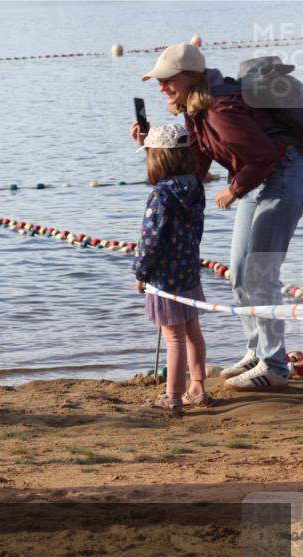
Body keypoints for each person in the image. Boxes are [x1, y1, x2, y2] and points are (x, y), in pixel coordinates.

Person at [133, 43, 303, 391]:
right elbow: (193, 169)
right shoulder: (195, 111)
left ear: (190, 76)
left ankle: (274, 365)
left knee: (260, 271)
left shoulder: (219, 109)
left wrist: (233, 190)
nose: (161, 87)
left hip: (285, 176)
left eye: (167, 79)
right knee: (240, 275)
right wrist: (148, 147)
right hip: (258, 180)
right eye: (159, 81)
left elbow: (263, 156)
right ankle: (256, 351)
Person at [132, 124, 209, 415]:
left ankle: (173, 395)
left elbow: (151, 240)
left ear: (158, 159)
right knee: (192, 331)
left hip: (165, 276)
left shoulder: (160, 195)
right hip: (189, 268)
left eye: (150, 155)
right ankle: (198, 387)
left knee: (173, 337)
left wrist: (140, 272)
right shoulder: (195, 185)